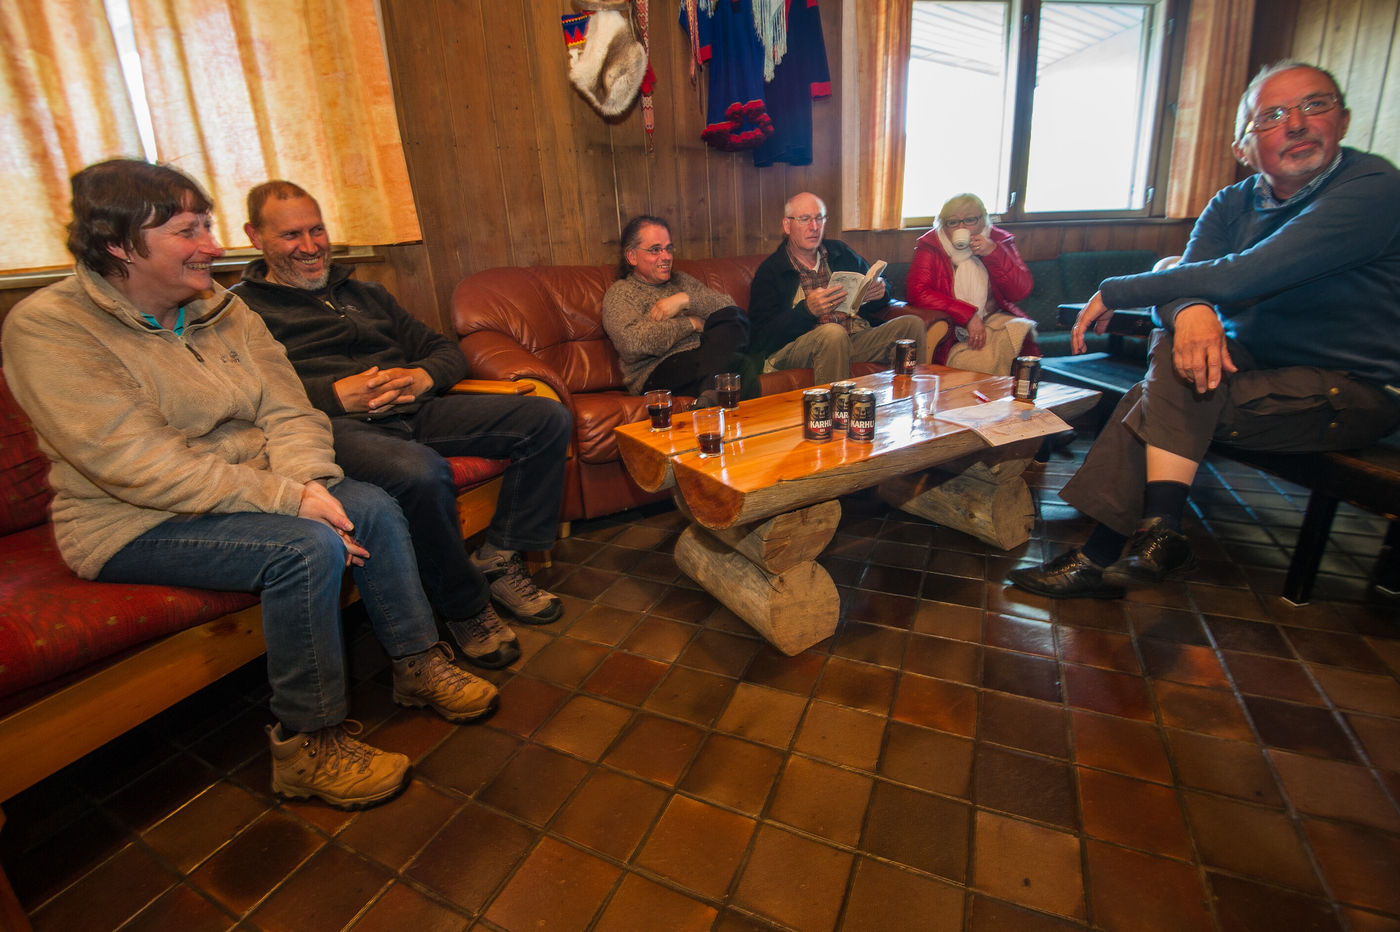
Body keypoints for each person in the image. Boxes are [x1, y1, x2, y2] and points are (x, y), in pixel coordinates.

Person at [1, 159, 499, 810]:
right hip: (130, 519)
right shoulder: (50, 328)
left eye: (207, 225)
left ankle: (417, 663)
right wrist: (291, 502)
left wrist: (308, 483)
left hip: (254, 485)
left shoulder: (224, 310)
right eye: (188, 231)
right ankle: (308, 744)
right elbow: (134, 464)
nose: (212, 246)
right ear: (119, 245)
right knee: (305, 547)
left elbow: (289, 410)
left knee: (370, 506)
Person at [1009, 61, 1400, 600]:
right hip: (1249, 368)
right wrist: (1191, 309)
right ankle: (1156, 534)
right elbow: (1193, 281)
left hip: (1349, 389)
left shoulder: (1372, 189)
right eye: (1273, 115)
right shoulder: (1231, 203)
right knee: (1179, 346)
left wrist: (1127, 288)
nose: (1297, 124)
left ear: (1344, 118)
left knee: (1152, 397)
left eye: (1315, 105)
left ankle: (1110, 549)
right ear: (1244, 147)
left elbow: (1250, 272)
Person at [231, 182, 571, 669]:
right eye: (291, 235)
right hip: (335, 429)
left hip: (415, 409)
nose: (309, 247)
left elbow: (446, 350)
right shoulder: (241, 310)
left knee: (545, 416)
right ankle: (465, 607)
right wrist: (332, 396)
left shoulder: (365, 293)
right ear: (254, 235)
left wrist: (422, 375)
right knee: (419, 472)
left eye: (317, 229)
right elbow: (246, 394)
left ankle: (499, 558)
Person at [749, 192, 926, 385]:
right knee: (832, 334)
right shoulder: (771, 271)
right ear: (787, 225)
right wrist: (806, 311)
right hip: (798, 346)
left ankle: (911, 405)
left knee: (912, 325)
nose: (814, 227)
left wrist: (880, 292)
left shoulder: (839, 252)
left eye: (819, 218)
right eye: (804, 219)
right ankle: (837, 414)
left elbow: (879, 287)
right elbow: (761, 337)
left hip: (853, 337)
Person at [601, 214, 750, 400]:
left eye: (668, 249)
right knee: (742, 368)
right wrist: (691, 323)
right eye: (655, 250)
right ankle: (714, 399)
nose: (666, 257)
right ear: (632, 256)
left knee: (735, 318)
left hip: (703, 357)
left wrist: (685, 300)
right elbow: (633, 344)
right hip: (658, 371)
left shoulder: (682, 281)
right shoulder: (620, 294)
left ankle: (708, 400)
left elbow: (729, 310)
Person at [905, 193, 1040, 373]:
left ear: (983, 220)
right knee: (978, 363)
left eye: (969, 220)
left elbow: (1020, 290)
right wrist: (966, 315)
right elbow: (918, 292)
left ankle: (1014, 395)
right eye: (953, 222)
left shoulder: (999, 240)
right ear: (943, 224)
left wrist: (994, 253)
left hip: (993, 317)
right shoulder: (931, 245)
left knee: (1020, 336)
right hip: (951, 327)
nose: (962, 227)